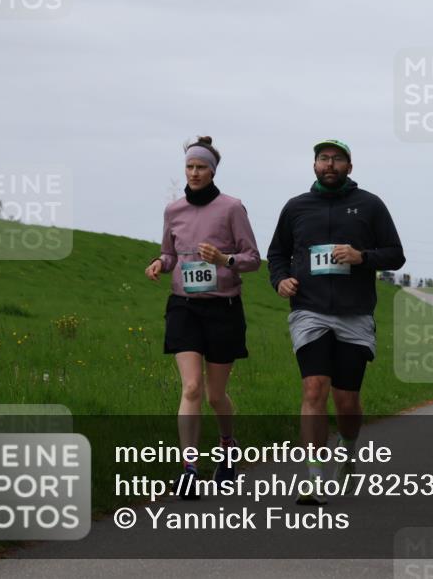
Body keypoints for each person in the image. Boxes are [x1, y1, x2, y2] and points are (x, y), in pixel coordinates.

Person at [267, 139, 405, 505]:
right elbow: (277, 253)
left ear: (349, 166)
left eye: (337, 159)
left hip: (355, 314)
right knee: (314, 389)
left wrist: (362, 256)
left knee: (347, 401)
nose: (330, 164)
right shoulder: (297, 207)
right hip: (308, 310)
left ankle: (348, 447)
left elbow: (396, 255)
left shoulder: (370, 205)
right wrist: (280, 279)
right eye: (323, 159)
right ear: (314, 165)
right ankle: (312, 478)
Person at [145, 136, 261, 498]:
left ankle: (228, 445)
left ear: (212, 171)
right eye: (189, 167)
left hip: (223, 308)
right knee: (191, 387)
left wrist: (225, 260)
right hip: (184, 306)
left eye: (200, 167)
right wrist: (159, 264)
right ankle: (189, 468)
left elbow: (253, 258)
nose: (194, 173)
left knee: (215, 395)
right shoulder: (173, 210)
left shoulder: (232, 208)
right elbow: (169, 253)